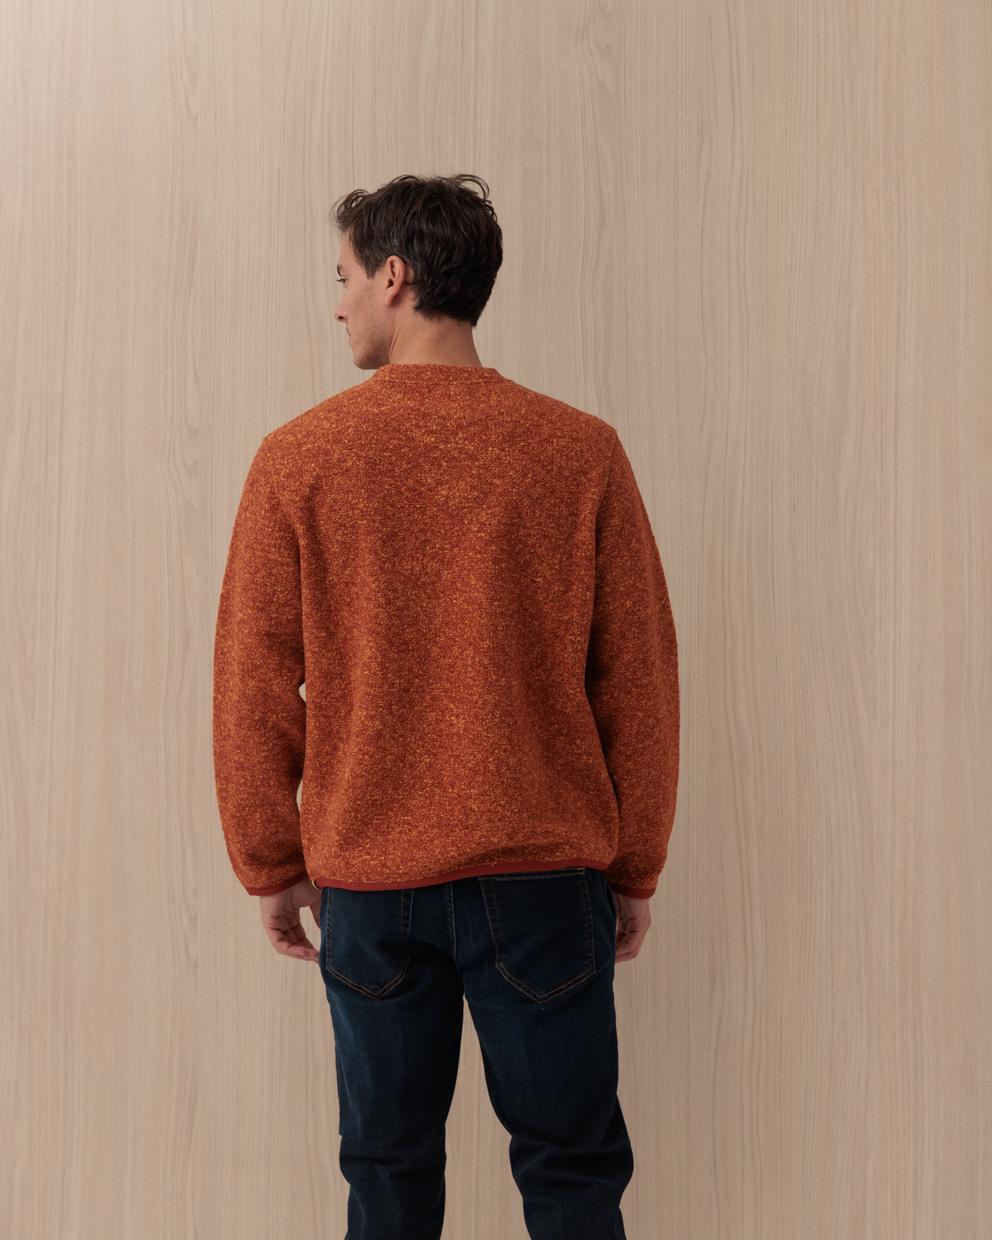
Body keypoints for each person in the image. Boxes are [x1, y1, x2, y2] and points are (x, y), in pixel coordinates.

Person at [212, 173, 680, 1239]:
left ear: (394, 276)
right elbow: (639, 678)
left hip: (371, 882)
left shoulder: (299, 458)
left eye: (342, 278)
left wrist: (269, 859)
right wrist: (634, 861)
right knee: (572, 1175)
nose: (337, 305)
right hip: (544, 877)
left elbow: (251, 677)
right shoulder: (579, 451)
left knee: (386, 1174)